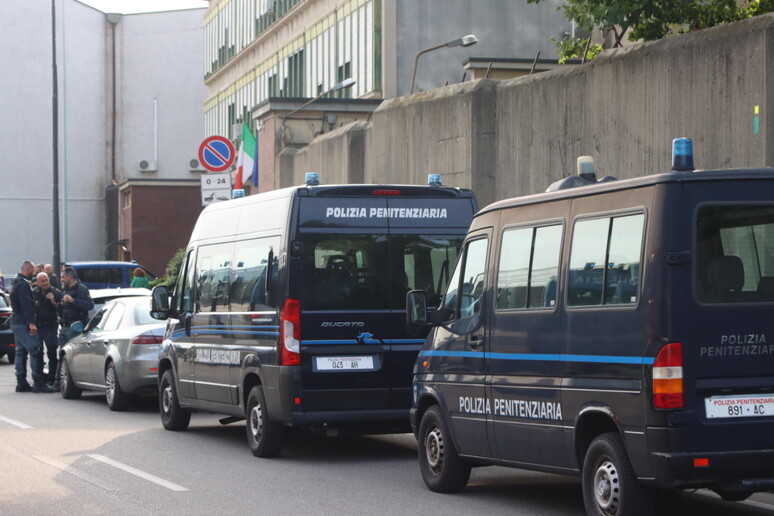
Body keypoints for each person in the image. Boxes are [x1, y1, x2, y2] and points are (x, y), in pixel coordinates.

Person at [9, 261, 56, 393]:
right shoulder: (23, 284)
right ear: (28, 269)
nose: (34, 273)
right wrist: (31, 323)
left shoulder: (14, 281)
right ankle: (38, 382)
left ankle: (21, 382)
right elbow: (26, 305)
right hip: (23, 321)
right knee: (35, 348)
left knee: (20, 351)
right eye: (33, 270)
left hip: (16, 320)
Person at [52, 267, 94, 388]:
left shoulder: (81, 289)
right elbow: (62, 307)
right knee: (62, 354)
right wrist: (59, 316)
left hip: (75, 328)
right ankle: (59, 382)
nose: (61, 279)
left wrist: (73, 300)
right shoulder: (65, 290)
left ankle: (73, 382)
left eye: (63, 277)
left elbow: (89, 305)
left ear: (70, 277)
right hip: (64, 327)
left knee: (73, 356)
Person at [32, 272, 62, 385]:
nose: (45, 283)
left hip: (50, 326)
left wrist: (53, 301)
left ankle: (51, 379)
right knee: (38, 352)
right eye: (42, 281)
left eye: (46, 280)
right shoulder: (34, 292)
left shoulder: (55, 292)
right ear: (38, 282)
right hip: (38, 326)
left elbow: (61, 309)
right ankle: (39, 379)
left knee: (52, 352)